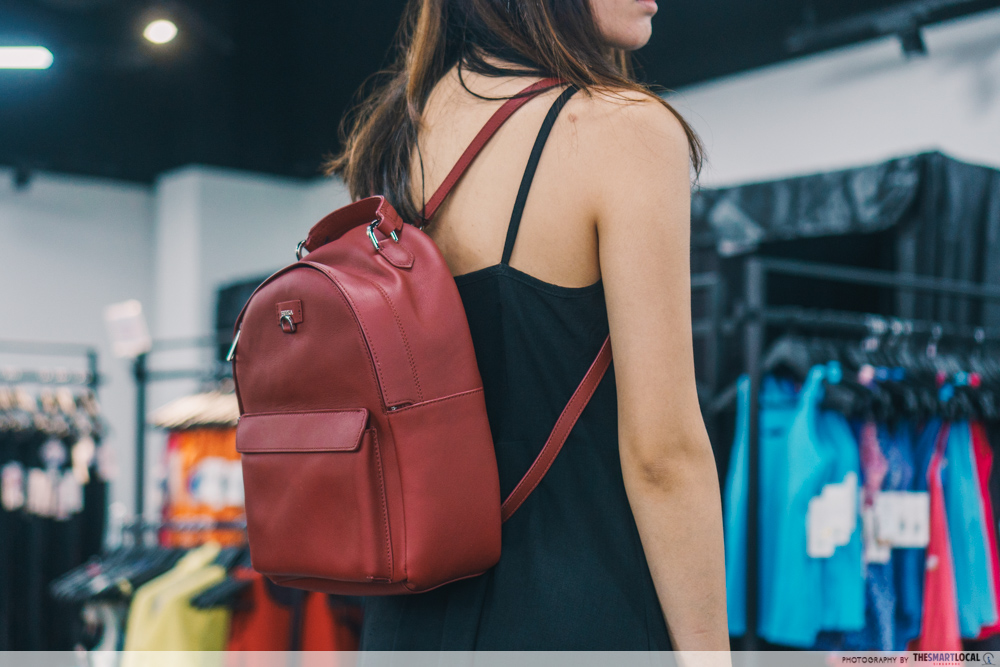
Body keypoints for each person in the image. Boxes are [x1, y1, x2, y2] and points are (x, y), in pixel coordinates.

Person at [327, 0, 728, 651]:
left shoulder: (394, 135)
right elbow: (663, 456)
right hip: (577, 613)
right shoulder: (623, 129)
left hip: (406, 626)